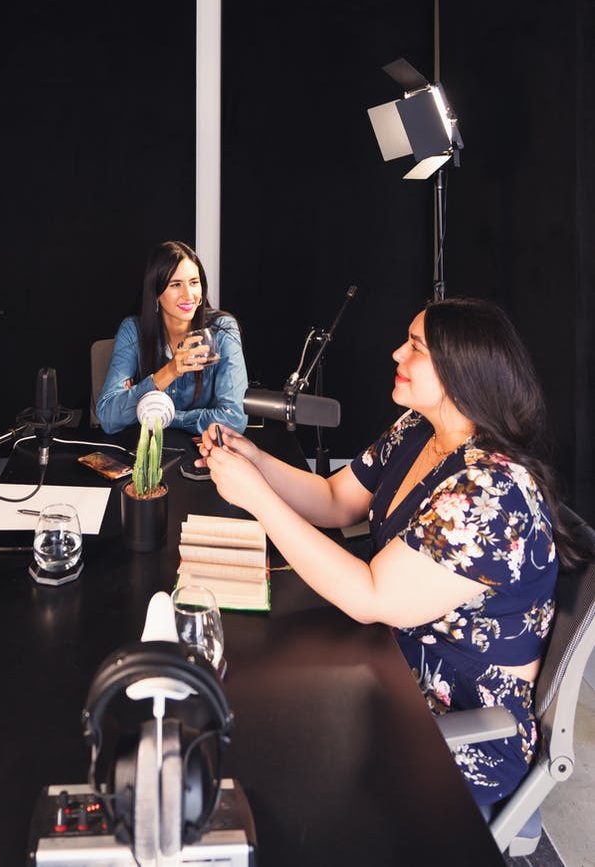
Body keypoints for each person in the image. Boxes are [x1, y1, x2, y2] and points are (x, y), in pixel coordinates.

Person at [200, 297, 587, 807]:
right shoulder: (420, 430)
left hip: (455, 721)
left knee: (277, 747)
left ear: (458, 371)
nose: (395, 353)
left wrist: (256, 495)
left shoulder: (489, 493)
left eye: (415, 347)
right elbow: (336, 500)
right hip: (387, 661)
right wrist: (255, 458)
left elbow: (372, 594)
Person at [96, 240, 248, 435]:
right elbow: (108, 417)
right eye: (176, 284)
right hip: (147, 454)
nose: (188, 295)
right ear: (156, 293)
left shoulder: (223, 329)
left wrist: (157, 414)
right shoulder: (133, 330)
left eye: (194, 282)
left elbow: (234, 420)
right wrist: (170, 371)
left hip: (204, 453)